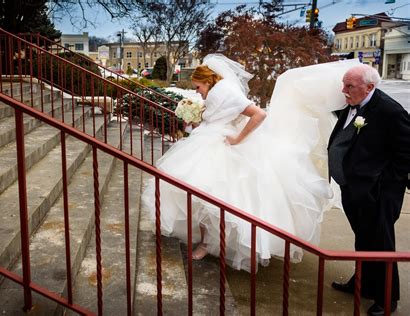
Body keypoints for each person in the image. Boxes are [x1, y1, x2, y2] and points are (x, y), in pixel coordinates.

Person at [142, 54, 361, 272]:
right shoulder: (216, 93)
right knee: (201, 197)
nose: (197, 91)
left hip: (224, 146)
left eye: (198, 86)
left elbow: (259, 114)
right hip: (208, 142)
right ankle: (207, 242)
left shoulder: (226, 92)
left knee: (215, 197)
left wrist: (238, 139)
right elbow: (218, 116)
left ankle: (208, 243)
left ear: (208, 81)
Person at [328, 64, 410, 315]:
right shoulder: (353, 104)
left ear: (370, 87)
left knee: (382, 244)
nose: (343, 90)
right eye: (344, 84)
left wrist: (384, 185)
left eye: (349, 86)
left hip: (379, 192)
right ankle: (362, 284)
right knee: (364, 238)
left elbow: (406, 153)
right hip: (354, 188)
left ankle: (387, 299)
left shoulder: (390, 111)